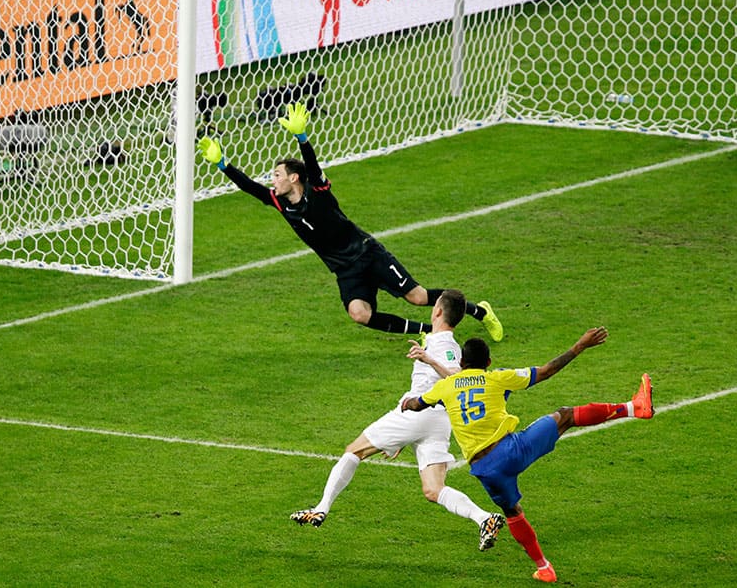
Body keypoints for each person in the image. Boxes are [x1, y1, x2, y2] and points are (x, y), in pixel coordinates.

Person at [196, 103, 503, 340]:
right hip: (345, 269)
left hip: (368, 253)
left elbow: (313, 169)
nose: (271, 180)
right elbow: (250, 187)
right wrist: (223, 164)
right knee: (360, 313)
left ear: (294, 178)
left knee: (418, 296)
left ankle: (479, 310)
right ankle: (425, 332)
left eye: (277, 175)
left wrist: (302, 138)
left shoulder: (318, 192)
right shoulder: (280, 203)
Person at [402, 327, 655, 583]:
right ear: (488, 363)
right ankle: (635, 407)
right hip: (512, 450)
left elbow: (418, 403)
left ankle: (544, 567)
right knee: (565, 415)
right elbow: (546, 371)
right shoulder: (497, 378)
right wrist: (580, 345)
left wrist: (407, 404)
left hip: (485, 471)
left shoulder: (446, 387)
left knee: (513, 512)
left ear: (461, 362)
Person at [289, 289, 506, 552]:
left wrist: (428, 358)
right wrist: (405, 436)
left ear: (437, 311)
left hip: (418, 412)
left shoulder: (444, 344)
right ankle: (484, 518)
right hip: (435, 421)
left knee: (353, 451)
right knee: (434, 489)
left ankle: (320, 509)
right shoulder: (441, 341)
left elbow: (455, 378)